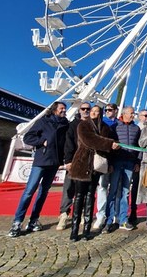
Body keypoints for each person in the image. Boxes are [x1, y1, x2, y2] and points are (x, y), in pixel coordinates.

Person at [8, 101, 69, 237]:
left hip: (54, 162)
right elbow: (29, 137)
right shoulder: (43, 121)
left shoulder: (65, 124)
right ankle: (17, 221)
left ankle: (34, 220)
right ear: (54, 110)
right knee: (29, 191)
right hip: (41, 160)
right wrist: (42, 141)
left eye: (65, 109)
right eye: (62, 108)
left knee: (43, 192)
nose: (64, 110)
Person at [69, 105, 120, 241]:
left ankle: (86, 229)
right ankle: (74, 229)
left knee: (91, 196)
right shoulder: (83, 126)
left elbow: (109, 145)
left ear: (100, 114)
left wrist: (112, 147)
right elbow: (90, 140)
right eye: (92, 111)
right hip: (82, 163)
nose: (93, 113)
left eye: (96, 111)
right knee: (79, 196)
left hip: (96, 166)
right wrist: (110, 143)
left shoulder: (105, 128)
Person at [103, 106, 141, 233]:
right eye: (131, 113)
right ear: (124, 114)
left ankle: (123, 219)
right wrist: (110, 163)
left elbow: (138, 146)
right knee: (112, 190)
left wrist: (137, 161)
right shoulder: (115, 127)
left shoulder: (136, 129)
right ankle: (109, 220)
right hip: (117, 161)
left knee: (125, 192)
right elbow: (110, 145)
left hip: (130, 162)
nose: (133, 115)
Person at [56, 102, 92, 231]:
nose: (86, 111)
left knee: (83, 190)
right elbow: (69, 143)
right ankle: (64, 214)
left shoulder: (92, 125)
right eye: (83, 109)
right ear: (80, 110)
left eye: (88, 109)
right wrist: (68, 160)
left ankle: (81, 212)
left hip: (88, 162)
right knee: (69, 188)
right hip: (74, 161)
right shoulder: (73, 125)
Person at [93, 103, 119, 230]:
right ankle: (101, 215)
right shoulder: (101, 123)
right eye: (106, 110)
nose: (108, 112)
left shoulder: (119, 124)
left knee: (115, 189)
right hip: (102, 159)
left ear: (115, 111)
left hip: (115, 160)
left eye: (110, 110)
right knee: (102, 187)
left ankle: (114, 214)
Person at [128, 108, 147, 224]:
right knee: (135, 188)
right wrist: (136, 161)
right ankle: (133, 212)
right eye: (144, 115)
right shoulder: (136, 129)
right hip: (139, 162)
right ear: (139, 117)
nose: (146, 117)